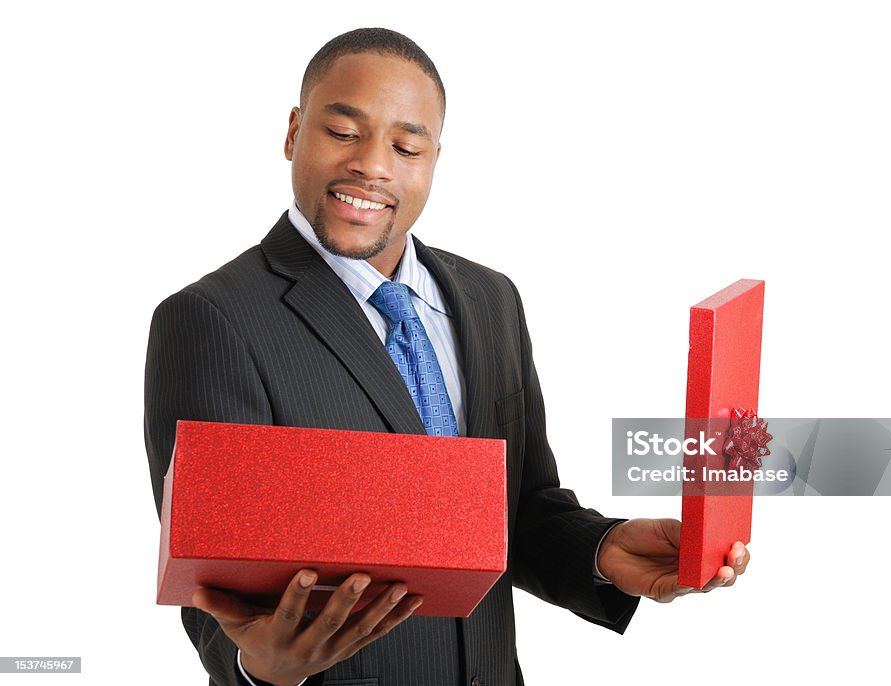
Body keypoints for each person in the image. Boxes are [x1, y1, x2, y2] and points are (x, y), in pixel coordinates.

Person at [144, 28, 748, 686]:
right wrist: (260, 669)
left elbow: (513, 510)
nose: (373, 165)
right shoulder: (212, 321)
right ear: (294, 132)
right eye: (343, 132)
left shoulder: (491, 301)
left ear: (434, 157)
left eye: (406, 145)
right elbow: (210, 585)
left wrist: (601, 549)